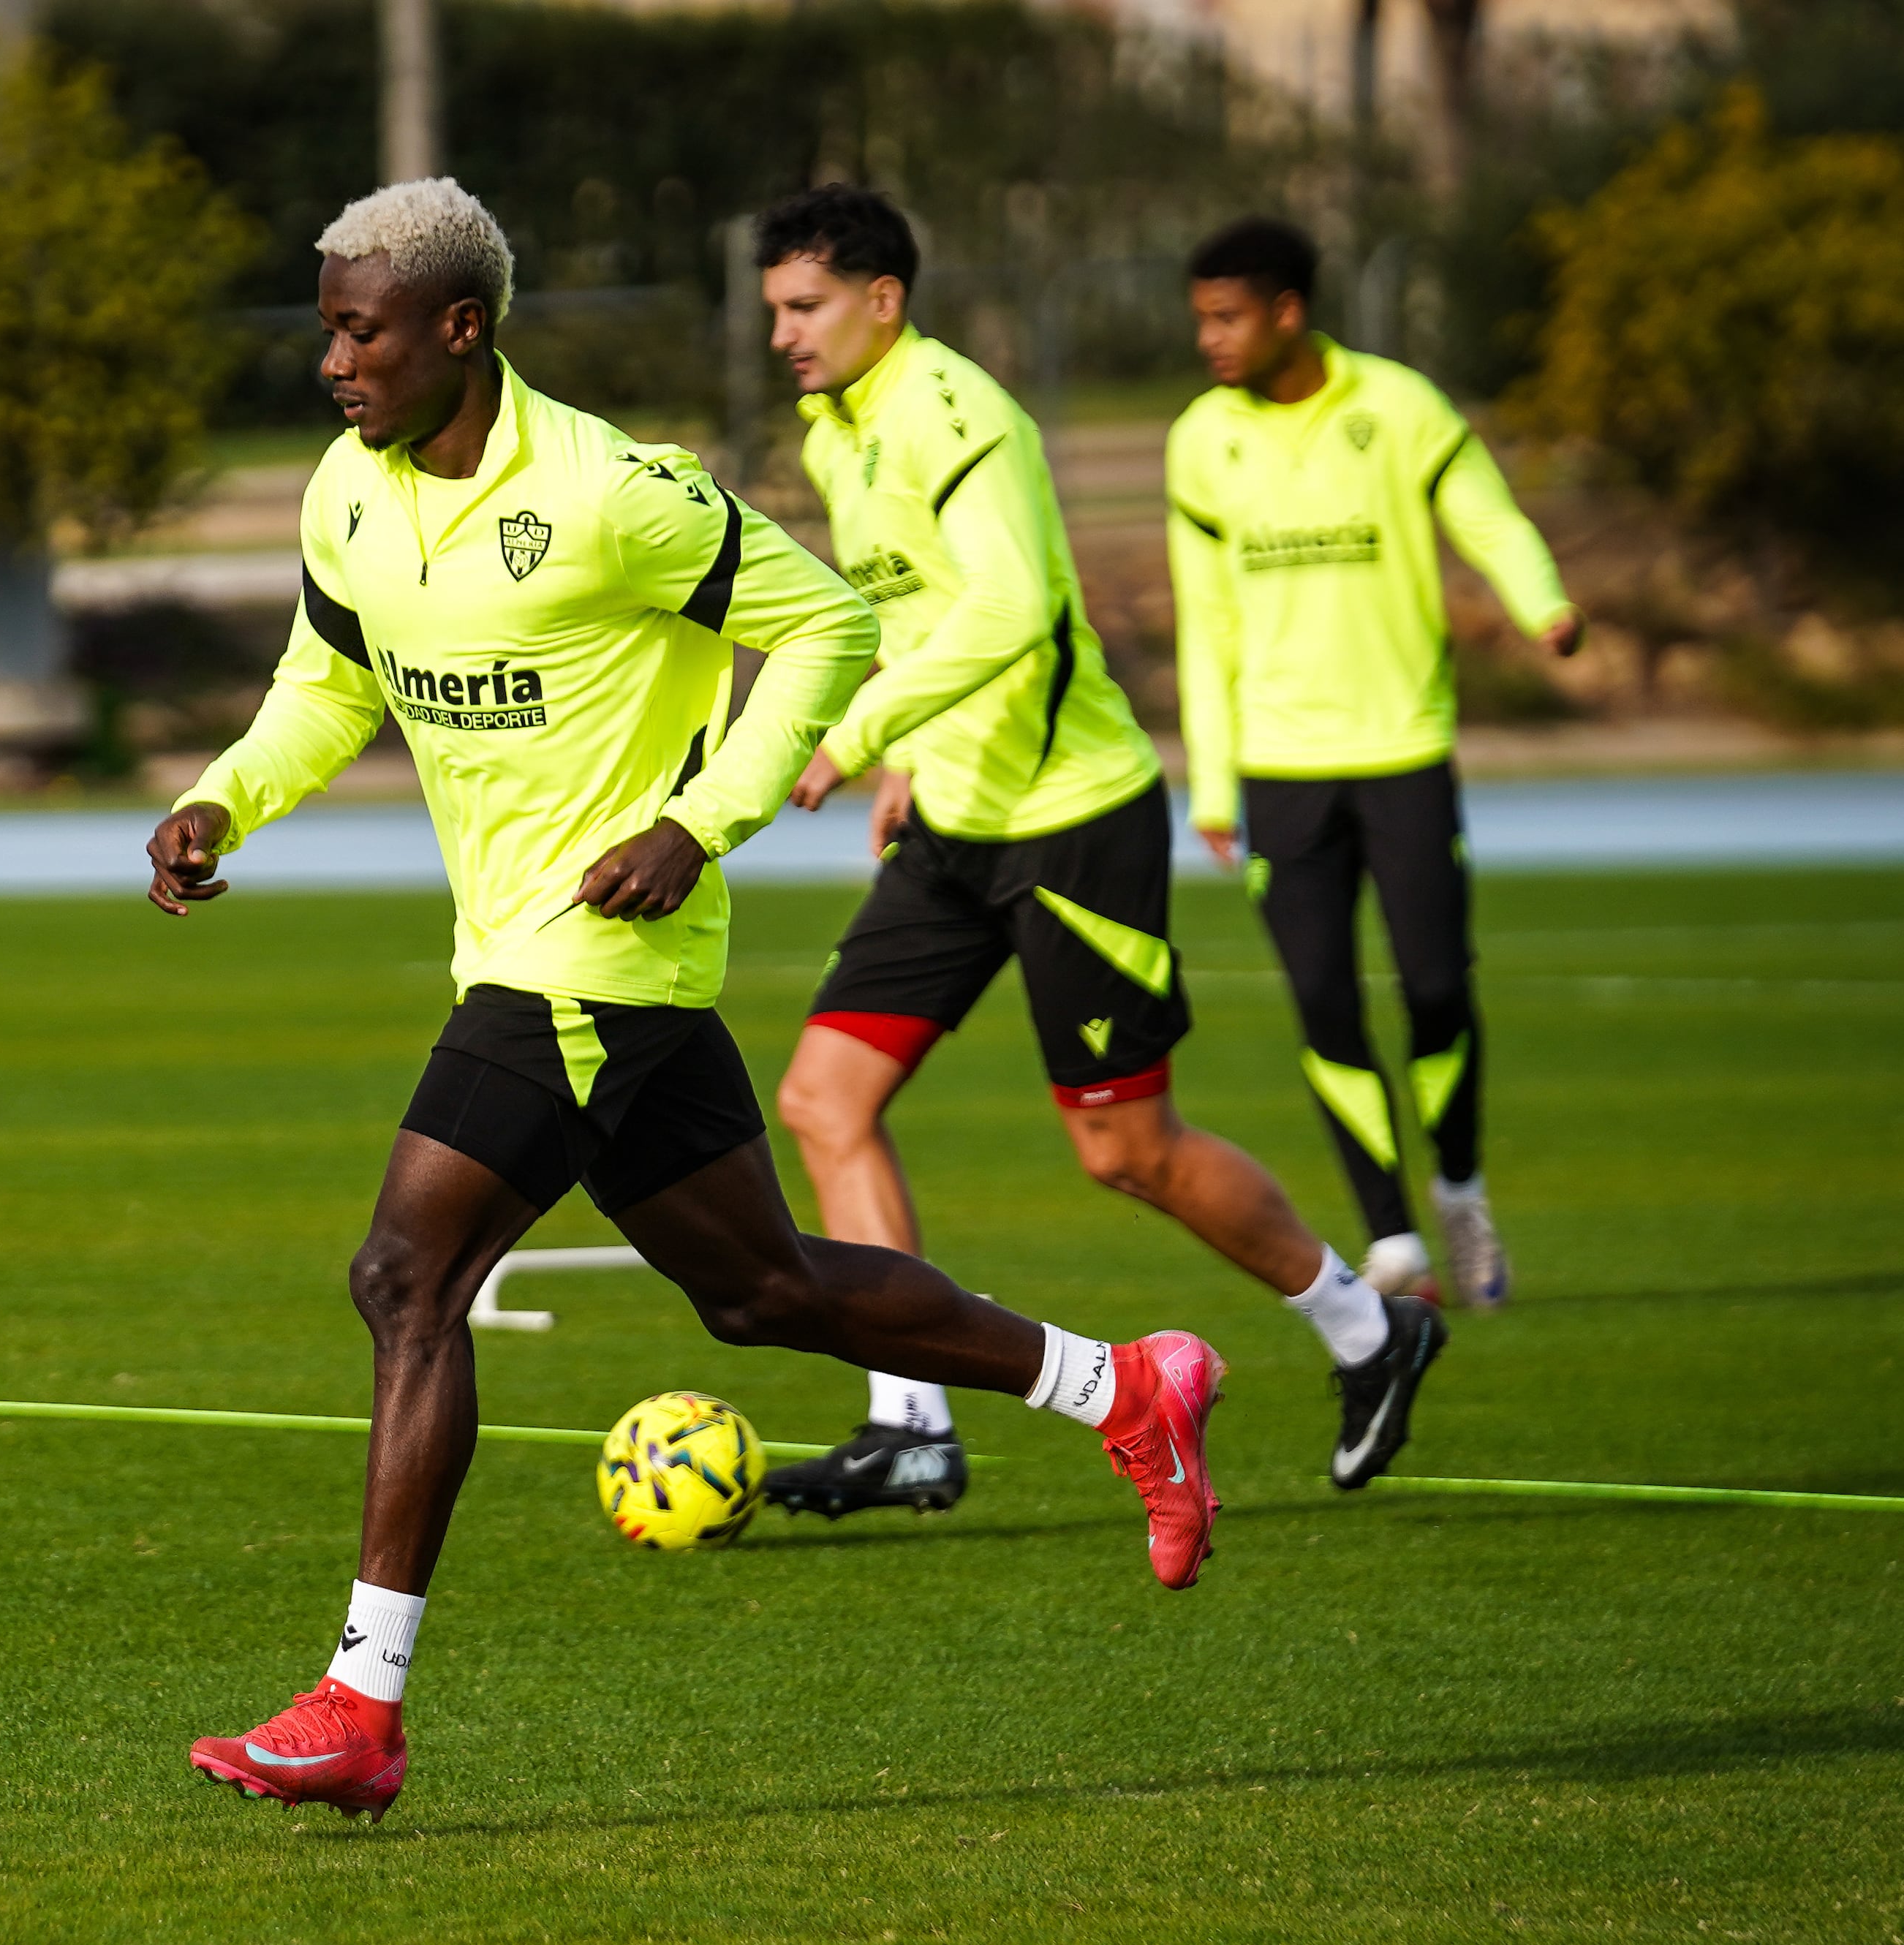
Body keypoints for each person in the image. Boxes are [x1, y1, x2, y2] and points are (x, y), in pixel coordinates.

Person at [145, 178, 1230, 1825]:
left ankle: (361, 1702)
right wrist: (222, 798)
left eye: (361, 333)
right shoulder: (346, 490)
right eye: (327, 333)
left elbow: (829, 625)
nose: (332, 364)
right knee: (763, 1289)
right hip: (534, 960)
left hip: (589, 957)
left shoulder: (612, 494)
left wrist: (700, 820)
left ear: (461, 328)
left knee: (405, 1275)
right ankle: (1123, 1384)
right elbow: (328, 680)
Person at [744, 184, 1447, 1528]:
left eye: (805, 306)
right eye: (775, 309)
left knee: (1127, 1152)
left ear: (883, 301)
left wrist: (858, 734)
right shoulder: (839, 431)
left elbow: (1012, 607)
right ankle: (911, 1427)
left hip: (1073, 824)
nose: (783, 333)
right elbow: (918, 616)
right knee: (826, 1100)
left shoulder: (960, 416)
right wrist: (907, 761)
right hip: (952, 827)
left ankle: (1372, 1329)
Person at [1173, 216, 1582, 1310]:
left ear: (1288, 312)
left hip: (1403, 751)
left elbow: (1487, 520)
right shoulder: (1201, 440)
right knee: (1324, 1003)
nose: (1209, 340)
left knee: (1438, 990)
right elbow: (1206, 623)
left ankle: (1461, 1190)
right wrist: (1212, 783)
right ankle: (1395, 1241)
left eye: (1228, 318)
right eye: (1201, 319)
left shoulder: (1400, 407)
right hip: (1279, 771)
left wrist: (1542, 604)